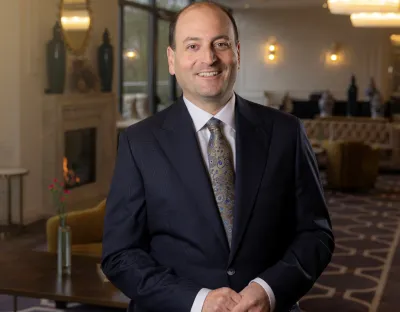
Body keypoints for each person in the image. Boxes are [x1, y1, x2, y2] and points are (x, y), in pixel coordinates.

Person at [101, 2, 334, 312]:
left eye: (220, 44)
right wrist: (198, 301)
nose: (208, 58)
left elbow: (315, 234)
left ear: (237, 53)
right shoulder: (138, 142)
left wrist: (268, 289)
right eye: (192, 46)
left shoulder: (286, 132)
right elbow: (120, 254)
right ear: (172, 60)